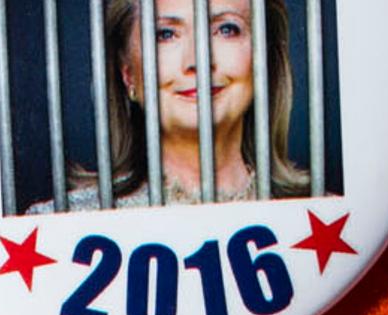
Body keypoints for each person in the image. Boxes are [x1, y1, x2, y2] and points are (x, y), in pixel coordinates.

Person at [26, 0, 312, 211]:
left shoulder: (326, 216)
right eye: (165, 35)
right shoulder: (62, 224)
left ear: (263, 60)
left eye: (227, 29)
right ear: (128, 75)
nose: (198, 60)